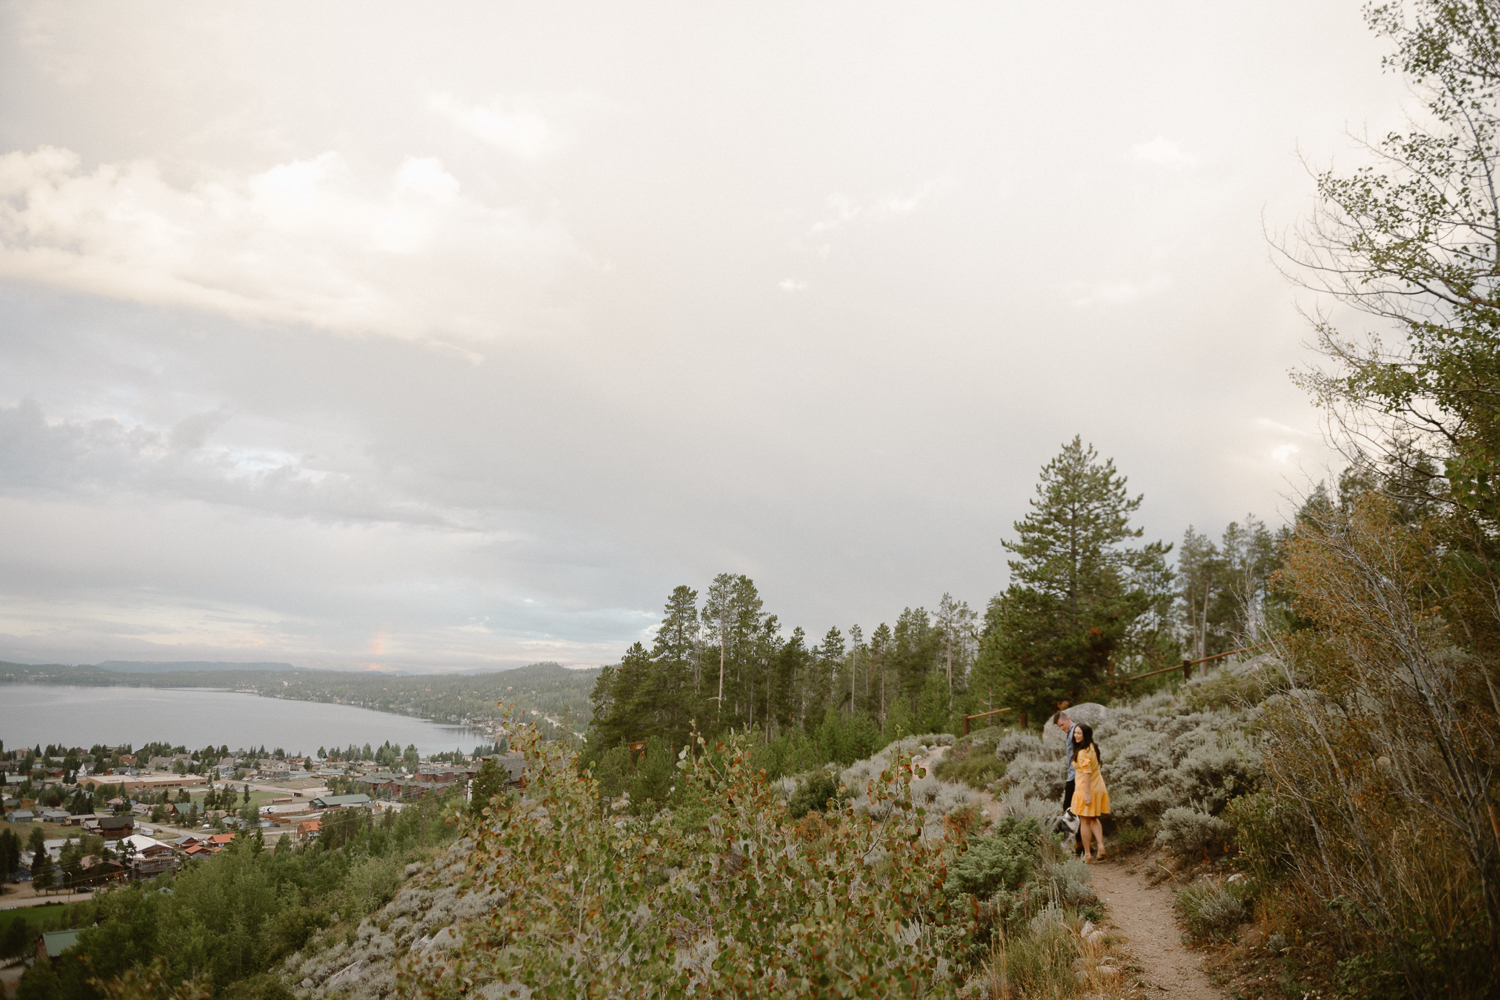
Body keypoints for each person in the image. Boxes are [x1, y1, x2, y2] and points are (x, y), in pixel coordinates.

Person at [1069, 723, 1109, 861]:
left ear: (1086, 735)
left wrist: (1086, 794)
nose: (1076, 736)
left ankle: (1087, 854)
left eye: (1079, 733)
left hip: (1085, 789)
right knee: (1094, 818)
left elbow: (1087, 773)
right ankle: (1101, 846)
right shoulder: (1093, 747)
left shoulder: (1082, 753)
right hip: (1098, 787)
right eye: (1075, 733)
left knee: (1084, 821)